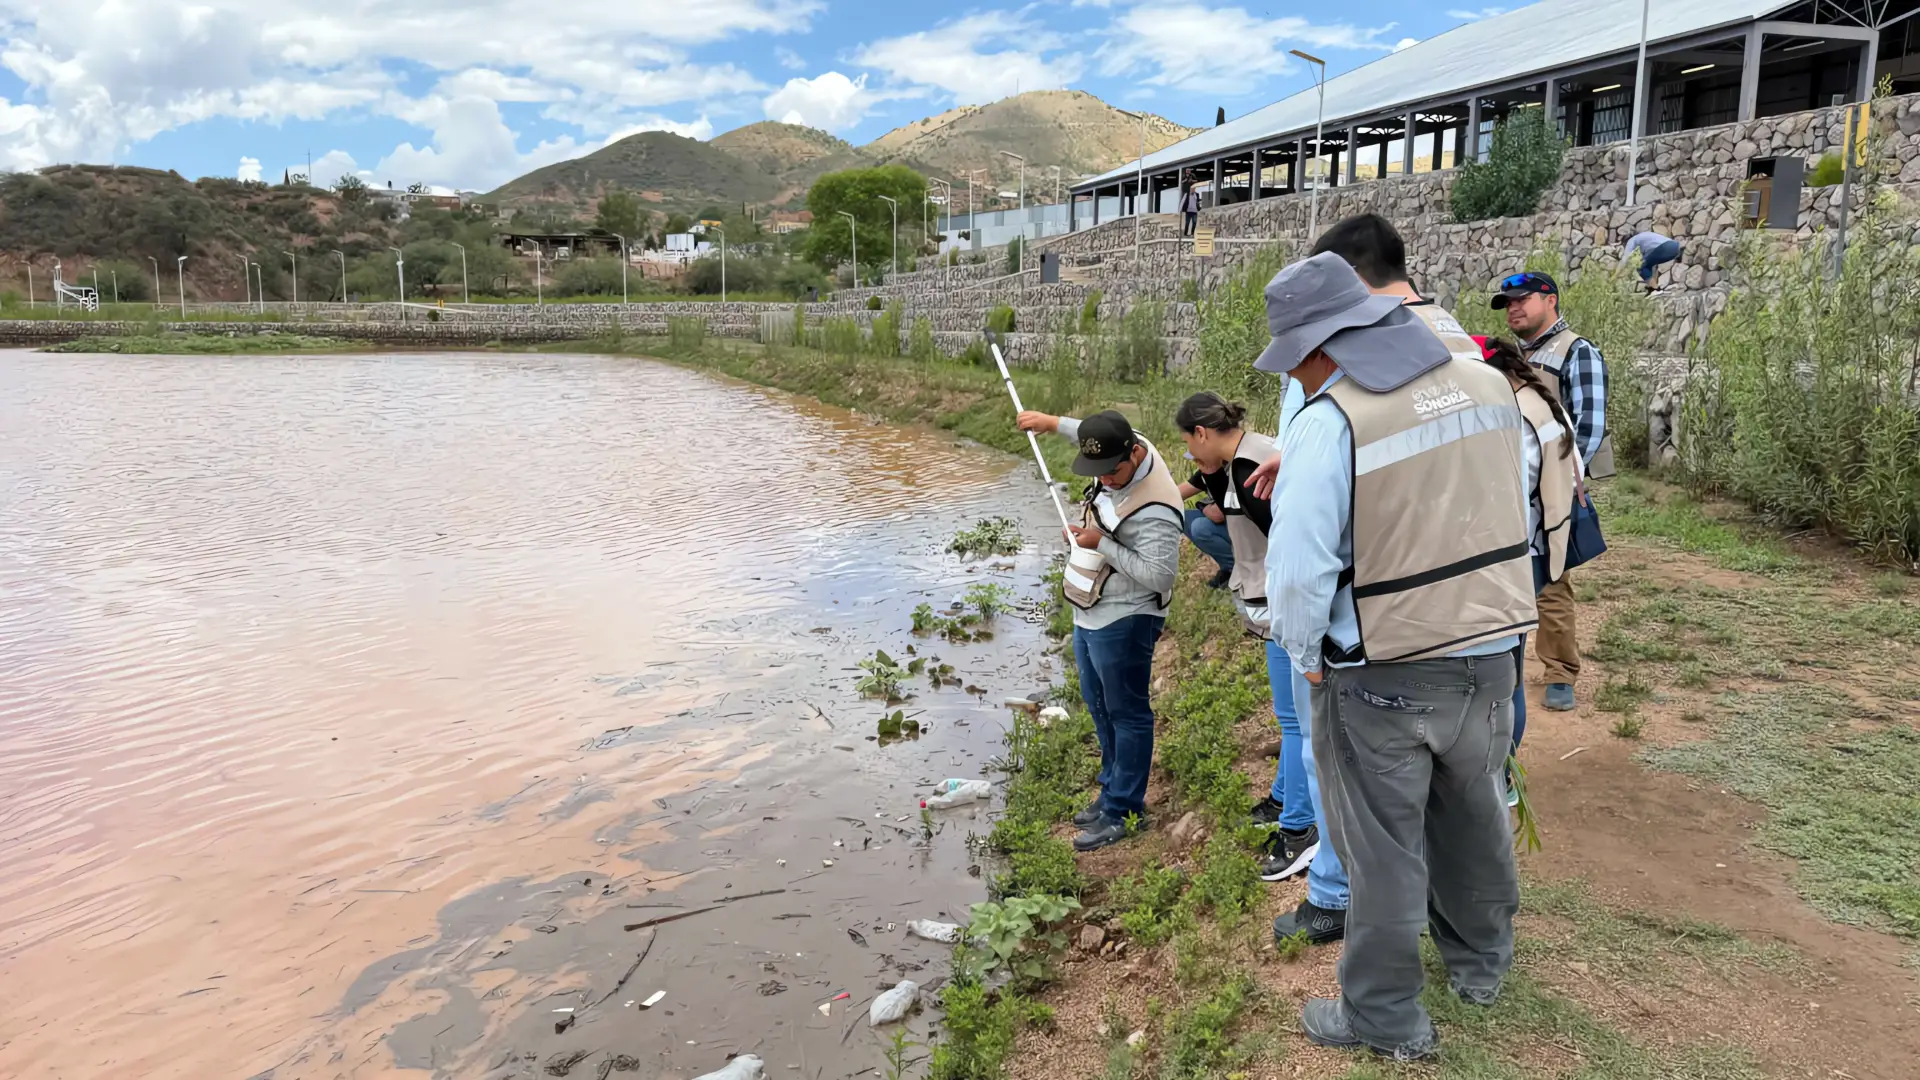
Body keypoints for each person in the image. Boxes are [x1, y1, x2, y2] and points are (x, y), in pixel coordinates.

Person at [1259, 252, 1534, 1061]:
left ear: (1325, 341)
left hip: (1382, 670)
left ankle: (1383, 1017)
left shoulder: (1332, 418)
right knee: (1475, 818)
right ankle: (1481, 965)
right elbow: (1505, 499)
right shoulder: (1485, 384)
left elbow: (1301, 567)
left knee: (1381, 853)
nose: (1300, 370)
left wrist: (1306, 655)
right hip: (1491, 655)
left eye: (1300, 354)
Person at [1253, 212, 1480, 947]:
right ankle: (1457, 932)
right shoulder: (1462, 350)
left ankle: (1336, 898)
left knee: (1347, 769)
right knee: (1453, 788)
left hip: (1369, 618)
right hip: (1466, 604)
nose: (1293, 368)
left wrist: (1306, 652)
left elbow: (1308, 546)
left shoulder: (1342, 367)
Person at [1015, 408, 1182, 852]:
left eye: (1111, 473)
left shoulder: (1157, 508)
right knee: (1097, 703)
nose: (1105, 480)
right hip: (1090, 608)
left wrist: (1101, 543)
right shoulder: (1121, 443)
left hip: (1127, 617)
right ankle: (1110, 788)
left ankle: (1124, 810)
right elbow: (1086, 432)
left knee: (1127, 712)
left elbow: (1161, 577)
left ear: (1133, 454)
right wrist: (1049, 422)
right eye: (1097, 473)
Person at [1173, 392, 1319, 882]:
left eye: (1190, 446)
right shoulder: (1237, 462)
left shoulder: (1253, 464)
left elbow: (1292, 538)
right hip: (1273, 602)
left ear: (1202, 433)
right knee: (1290, 718)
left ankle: (1300, 830)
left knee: (1296, 721)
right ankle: (1284, 799)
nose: (1190, 458)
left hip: (1285, 607)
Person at [1476, 334, 1583, 807]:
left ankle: (1501, 773)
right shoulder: (1543, 406)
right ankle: (1504, 772)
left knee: (1503, 675)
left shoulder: (1512, 418)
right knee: (1510, 668)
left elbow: (1502, 497)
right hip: (1537, 552)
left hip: (1512, 556)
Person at [1495, 271, 1609, 713]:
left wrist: (1558, 481)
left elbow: (1590, 426)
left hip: (1553, 488)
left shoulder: (1576, 352)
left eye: (1522, 299)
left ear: (1551, 300)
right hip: (1510, 487)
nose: (1513, 308)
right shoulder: (1508, 358)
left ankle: (1560, 672)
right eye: (1508, 303)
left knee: (1554, 575)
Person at [1175, 482, 1234, 589]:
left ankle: (1237, 569)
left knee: (1200, 527)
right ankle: (1227, 568)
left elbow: (1217, 515)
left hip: (1250, 532)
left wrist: (1203, 506)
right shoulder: (1211, 469)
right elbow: (1173, 494)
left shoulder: (1234, 470)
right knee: (1179, 516)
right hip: (1228, 523)